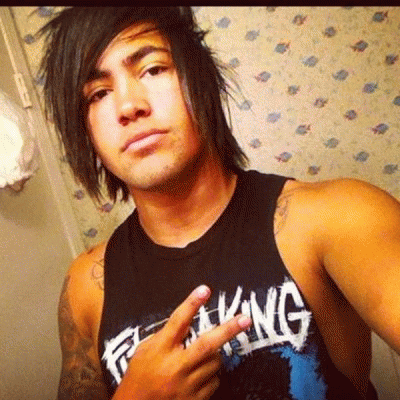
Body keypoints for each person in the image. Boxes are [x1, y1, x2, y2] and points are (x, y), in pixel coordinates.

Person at [38, 7, 400, 400]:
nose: (128, 107)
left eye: (153, 69)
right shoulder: (86, 286)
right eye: (98, 94)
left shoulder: (337, 217)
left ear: (201, 82)